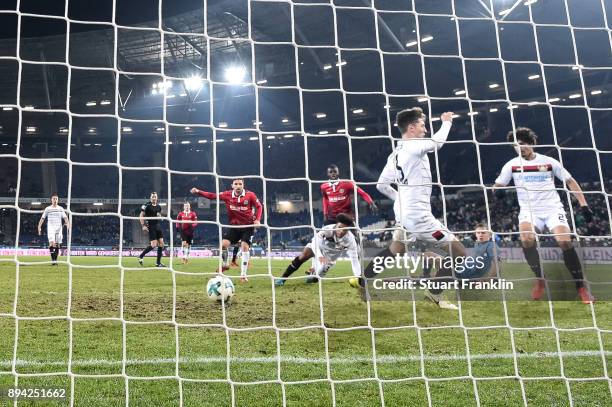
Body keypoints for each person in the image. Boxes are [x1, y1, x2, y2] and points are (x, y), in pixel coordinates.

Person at [364, 107, 492, 310]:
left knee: (395, 250)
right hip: (419, 217)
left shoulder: (395, 153)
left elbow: (381, 185)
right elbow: (437, 143)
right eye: (423, 125)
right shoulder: (413, 145)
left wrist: (400, 199)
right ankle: (434, 294)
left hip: (405, 214)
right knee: (459, 253)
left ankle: (363, 281)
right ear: (412, 127)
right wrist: (447, 121)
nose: (425, 129)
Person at [494, 127, 594, 303]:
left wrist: (584, 205)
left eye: (522, 144)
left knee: (564, 241)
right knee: (526, 239)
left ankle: (581, 287)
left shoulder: (549, 162)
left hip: (552, 209)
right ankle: (540, 279)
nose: (519, 148)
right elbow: (498, 185)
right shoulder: (511, 165)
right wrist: (498, 191)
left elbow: (570, 181)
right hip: (529, 211)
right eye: (515, 146)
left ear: (531, 143)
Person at [191, 179, 262, 282]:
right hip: (234, 227)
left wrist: (258, 219)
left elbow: (259, 206)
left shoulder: (250, 195)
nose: (238, 186)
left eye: (240, 184)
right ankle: (225, 265)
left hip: (248, 226)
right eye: (236, 184)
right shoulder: (227, 194)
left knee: (244, 247)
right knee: (223, 245)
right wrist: (198, 191)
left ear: (243, 185)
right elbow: (212, 196)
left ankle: (243, 275)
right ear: (232, 185)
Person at [275, 213, 360, 286]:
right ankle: (282, 279)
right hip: (318, 247)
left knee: (315, 278)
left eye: (344, 230)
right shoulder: (327, 230)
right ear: (336, 224)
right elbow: (315, 242)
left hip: (329, 258)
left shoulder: (350, 241)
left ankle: (314, 273)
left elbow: (355, 260)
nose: (341, 231)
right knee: (303, 256)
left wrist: (358, 277)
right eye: (340, 227)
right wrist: (320, 257)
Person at [37, 194, 70, 266]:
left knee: (58, 245)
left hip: (59, 228)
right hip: (51, 227)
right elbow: (42, 218)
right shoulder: (48, 209)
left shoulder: (60, 208)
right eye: (54, 199)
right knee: (52, 243)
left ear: (58, 200)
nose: (55, 200)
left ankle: (55, 260)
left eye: (56, 199)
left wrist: (68, 225)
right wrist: (39, 226)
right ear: (51, 200)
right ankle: (53, 260)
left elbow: (65, 218)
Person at [138, 192, 165, 267]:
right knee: (153, 245)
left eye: (155, 197)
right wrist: (143, 225)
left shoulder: (159, 206)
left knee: (161, 244)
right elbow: (141, 215)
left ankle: (158, 263)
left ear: (157, 198)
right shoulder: (146, 205)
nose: (154, 198)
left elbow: (158, 214)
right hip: (151, 226)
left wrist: (160, 216)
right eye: (152, 197)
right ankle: (141, 256)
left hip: (157, 226)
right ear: (150, 198)